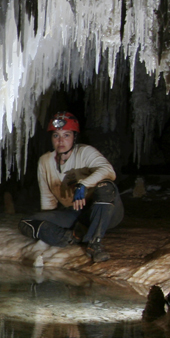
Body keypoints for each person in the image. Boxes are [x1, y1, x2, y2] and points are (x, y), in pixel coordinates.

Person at [18, 112, 124, 263]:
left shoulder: (85, 152)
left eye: (66, 135)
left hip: (104, 210)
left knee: (106, 186)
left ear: (74, 137)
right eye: (56, 136)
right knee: (27, 223)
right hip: (75, 213)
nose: (61, 140)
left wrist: (83, 184)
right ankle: (71, 237)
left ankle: (95, 243)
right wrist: (48, 222)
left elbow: (108, 170)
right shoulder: (45, 161)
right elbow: (48, 198)